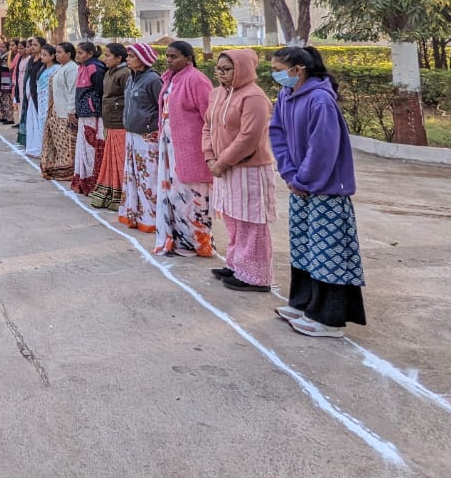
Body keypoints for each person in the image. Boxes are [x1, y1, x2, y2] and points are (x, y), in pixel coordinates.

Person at [269, 46, 366, 337]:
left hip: (325, 189)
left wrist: (304, 180)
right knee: (303, 247)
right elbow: (277, 133)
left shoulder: (321, 100)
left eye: (278, 68)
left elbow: (323, 148)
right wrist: (289, 173)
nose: (275, 74)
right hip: (299, 186)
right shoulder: (286, 96)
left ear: (298, 69)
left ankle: (330, 319)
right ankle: (302, 303)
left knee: (328, 252)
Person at [203, 49, 276, 292]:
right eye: (218, 69)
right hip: (223, 168)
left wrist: (222, 162)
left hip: (248, 168)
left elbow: (249, 137)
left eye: (226, 69)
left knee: (251, 221)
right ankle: (237, 265)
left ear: (242, 69)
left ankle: (256, 276)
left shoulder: (254, 97)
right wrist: (210, 157)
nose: (220, 74)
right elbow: (207, 126)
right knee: (232, 218)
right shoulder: (216, 94)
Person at [153, 41, 215, 258]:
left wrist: (209, 148)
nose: (169, 60)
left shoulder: (196, 80)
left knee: (192, 197)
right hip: (170, 148)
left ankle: (198, 243)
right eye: (168, 56)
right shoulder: (169, 79)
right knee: (173, 195)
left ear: (188, 58)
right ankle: (176, 239)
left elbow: (210, 117)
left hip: (191, 150)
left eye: (174, 56)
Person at [117, 42, 163, 232]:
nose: (127, 59)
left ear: (143, 59)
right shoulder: (131, 79)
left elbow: (161, 107)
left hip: (147, 137)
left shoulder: (153, 80)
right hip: (132, 135)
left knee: (148, 177)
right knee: (133, 176)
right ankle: (134, 214)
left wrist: (151, 125)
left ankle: (151, 218)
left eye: (131, 56)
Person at [90, 44, 130, 211]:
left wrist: (114, 107)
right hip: (110, 121)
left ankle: (121, 195)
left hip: (120, 123)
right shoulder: (109, 72)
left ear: (119, 58)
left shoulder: (125, 73)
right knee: (110, 159)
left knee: (120, 160)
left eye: (107, 55)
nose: (104, 58)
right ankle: (109, 194)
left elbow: (129, 100)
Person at [71, 41, 108, 195]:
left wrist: (94, 107)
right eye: (77, 52)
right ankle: (83, 179)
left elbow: (101, 91)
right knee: (84, 148)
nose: (77, 56)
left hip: (94, 114)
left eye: (81, 53)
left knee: (92, 147)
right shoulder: (82, 67)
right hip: (84, 114)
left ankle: (94, 182)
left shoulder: (95, 68)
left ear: (90, 54)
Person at [40, 42, 79, 181]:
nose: (56, 55)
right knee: (57, 143)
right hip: (56, 110)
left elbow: (72, 91)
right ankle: (57, 169)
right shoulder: (62, 68)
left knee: (66, 143)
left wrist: (71, 110)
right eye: (56, 52)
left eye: (59, 52)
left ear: (69, 54)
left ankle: (67, 172)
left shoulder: (72, 69)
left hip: (65, 113)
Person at [25, 44, 56, 158]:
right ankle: (43, 150)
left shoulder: (56, 69)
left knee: (49, 126)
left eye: (45, 55)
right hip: (41, 100)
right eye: (42, 55)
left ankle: (50, 153)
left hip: (50, 100)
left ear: (52, 56)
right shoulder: (43, 68)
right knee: (41, 124)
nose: (42, 57)